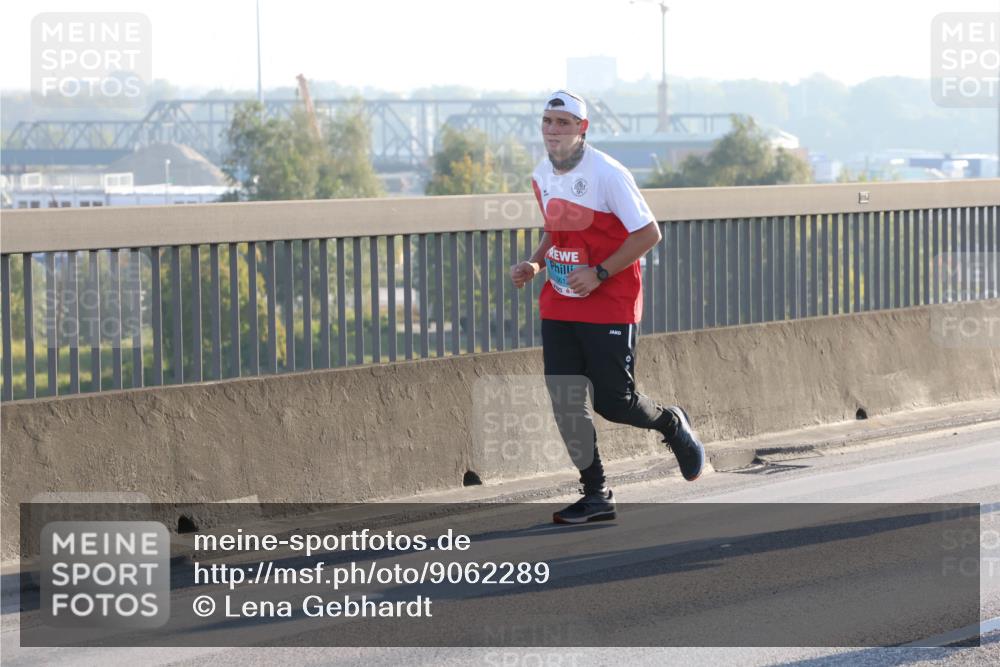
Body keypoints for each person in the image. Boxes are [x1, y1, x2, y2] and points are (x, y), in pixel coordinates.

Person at [509, 90, 705, 524]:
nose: (553, 129)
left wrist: (598, 273)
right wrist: (535, 262)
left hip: (609, 302)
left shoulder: (608, 174)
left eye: (563, 122)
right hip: (560, 302)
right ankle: (596, 493)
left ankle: (672, 424)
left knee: (615, 402)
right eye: (547, 121)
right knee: (565, 399)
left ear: (582, 129)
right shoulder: (541, 173)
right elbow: (554, 230)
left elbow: (648, 233)